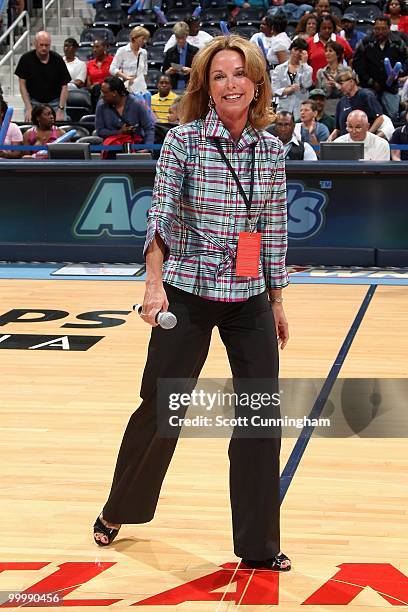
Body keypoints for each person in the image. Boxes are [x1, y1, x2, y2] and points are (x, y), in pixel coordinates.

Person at [92, 34, 291, 574]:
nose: (230, 83)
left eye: (239, 74)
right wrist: (154, 286)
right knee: (161, 407)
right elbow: (160, 219)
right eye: (219, 75)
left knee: (259, 417)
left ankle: (257, 546)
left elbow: (269, 229)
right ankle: (119, 508)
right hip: (186, 291)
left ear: (256, 84)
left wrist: (274, 300)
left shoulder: (271, 150)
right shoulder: (183, 142)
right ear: (207, 87)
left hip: (247, 297)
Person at [353, 16, 408, 122]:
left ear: (389, 28)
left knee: (393, 117)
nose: (380, 32)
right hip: (369, 86)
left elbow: (406, 62)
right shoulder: (365, 42)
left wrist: (398, 74)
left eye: (383, 29)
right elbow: (357, 64)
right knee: (368, 117)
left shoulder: (398, 42)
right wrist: (371, 81)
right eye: (377, 29)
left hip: (391, 87)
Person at [15, 31, 71, 122]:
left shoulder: (58, 59)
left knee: (61, 124)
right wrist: (28, 107)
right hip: (33, 101)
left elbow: (64, 86)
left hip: (55, 102)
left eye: (47, 45)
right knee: (29, 125)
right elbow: (22, 85)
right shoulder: (26, 59)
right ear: (35, 44)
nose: (44, 48)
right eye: (41, 45)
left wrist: (60, 109)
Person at [95, 76, 154, 151]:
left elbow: (149, 128)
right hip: (111, 148)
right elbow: (100, 131)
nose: (102, 95)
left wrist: (148, 148)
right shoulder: (101, 105)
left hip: (135, 147)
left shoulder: (137, 104)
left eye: (105, 93)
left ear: (114, 93)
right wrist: (119, 132)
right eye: (102, 92)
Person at [329, 68, 384, 140]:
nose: (339, 88)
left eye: (341, 84)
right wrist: (329, 139)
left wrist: (367, 136)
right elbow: (337, 129)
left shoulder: (366, 96)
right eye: (337, 85)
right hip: (346, 144)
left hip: (363, 143)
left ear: (351, 82)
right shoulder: (341, 102)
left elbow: (379, 118)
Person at [271, 38, 313, 121]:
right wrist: (289, 89)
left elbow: (306, 84)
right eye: (296, 49)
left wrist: (304, 63)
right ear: (290, 50)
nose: (297, 53)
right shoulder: (279, 69)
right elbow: (274, 91)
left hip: (300, 111)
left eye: (301, 51)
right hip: (283, 109)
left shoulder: (307, 69)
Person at [307, 15, 353, 83]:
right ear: (319, 28)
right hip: (315, 85)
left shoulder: (341, 42)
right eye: (324, 28)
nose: (327, 30)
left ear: (333, 28)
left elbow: (350, 58)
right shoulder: (309, 42)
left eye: (330, 28)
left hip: (339, 84)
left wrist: (348, 75)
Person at [109, 26, 150, 94]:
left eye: (146, 39)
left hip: (141, 89)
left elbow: (144, 72)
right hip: (126, 87)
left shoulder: (144, 52)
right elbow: (112, 69)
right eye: (143, 39)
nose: (145, 41)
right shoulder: (122, 51)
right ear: (135, 38)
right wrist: (126, 77)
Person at [162, 22, 199, 91]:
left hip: (190, 88)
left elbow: (200, 71)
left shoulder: (195, 51)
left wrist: (191, 71)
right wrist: (169, 71)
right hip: (173, 88)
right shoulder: (170, 52)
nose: (180, 41)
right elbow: (164, 71)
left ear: (187, 35)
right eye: (178, 38)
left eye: (182, 38)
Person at [316, 40, 349, 115]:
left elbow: (350, 92)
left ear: (337, 54)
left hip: (343, 106)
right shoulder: (321, 72)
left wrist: (337, 85)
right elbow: (318, 93)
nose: (327, 53)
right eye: (326, 51)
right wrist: (327, 89)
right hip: (326, 109)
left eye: (330, 51)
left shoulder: (346, 71)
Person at [86, 40, 114, 111]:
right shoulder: (90, 64)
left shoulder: (113, 61)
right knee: (96, 89)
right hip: (94, 91)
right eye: (93, 47)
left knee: (99, 88)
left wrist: (100, 83)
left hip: (109, 88)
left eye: (97, 47)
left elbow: (114, 78)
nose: (94, 50)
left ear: (104, 48)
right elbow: (89, 85)